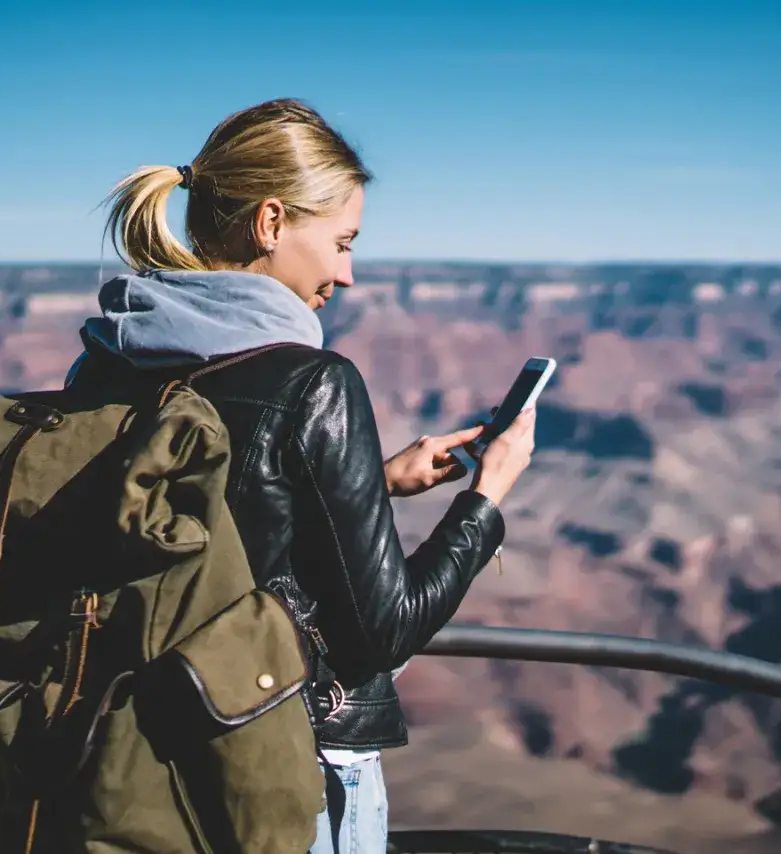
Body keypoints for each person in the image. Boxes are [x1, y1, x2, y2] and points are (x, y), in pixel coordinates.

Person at [64, 97, 537, 854]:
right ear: (272, 222)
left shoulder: (107, 360)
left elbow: (204, 521)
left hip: (131, 748)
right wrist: (486, 499)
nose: (346, 275)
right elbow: (385, 630)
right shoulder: (313, 383)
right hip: (282, 759)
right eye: (342, 243)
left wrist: (371, 483)